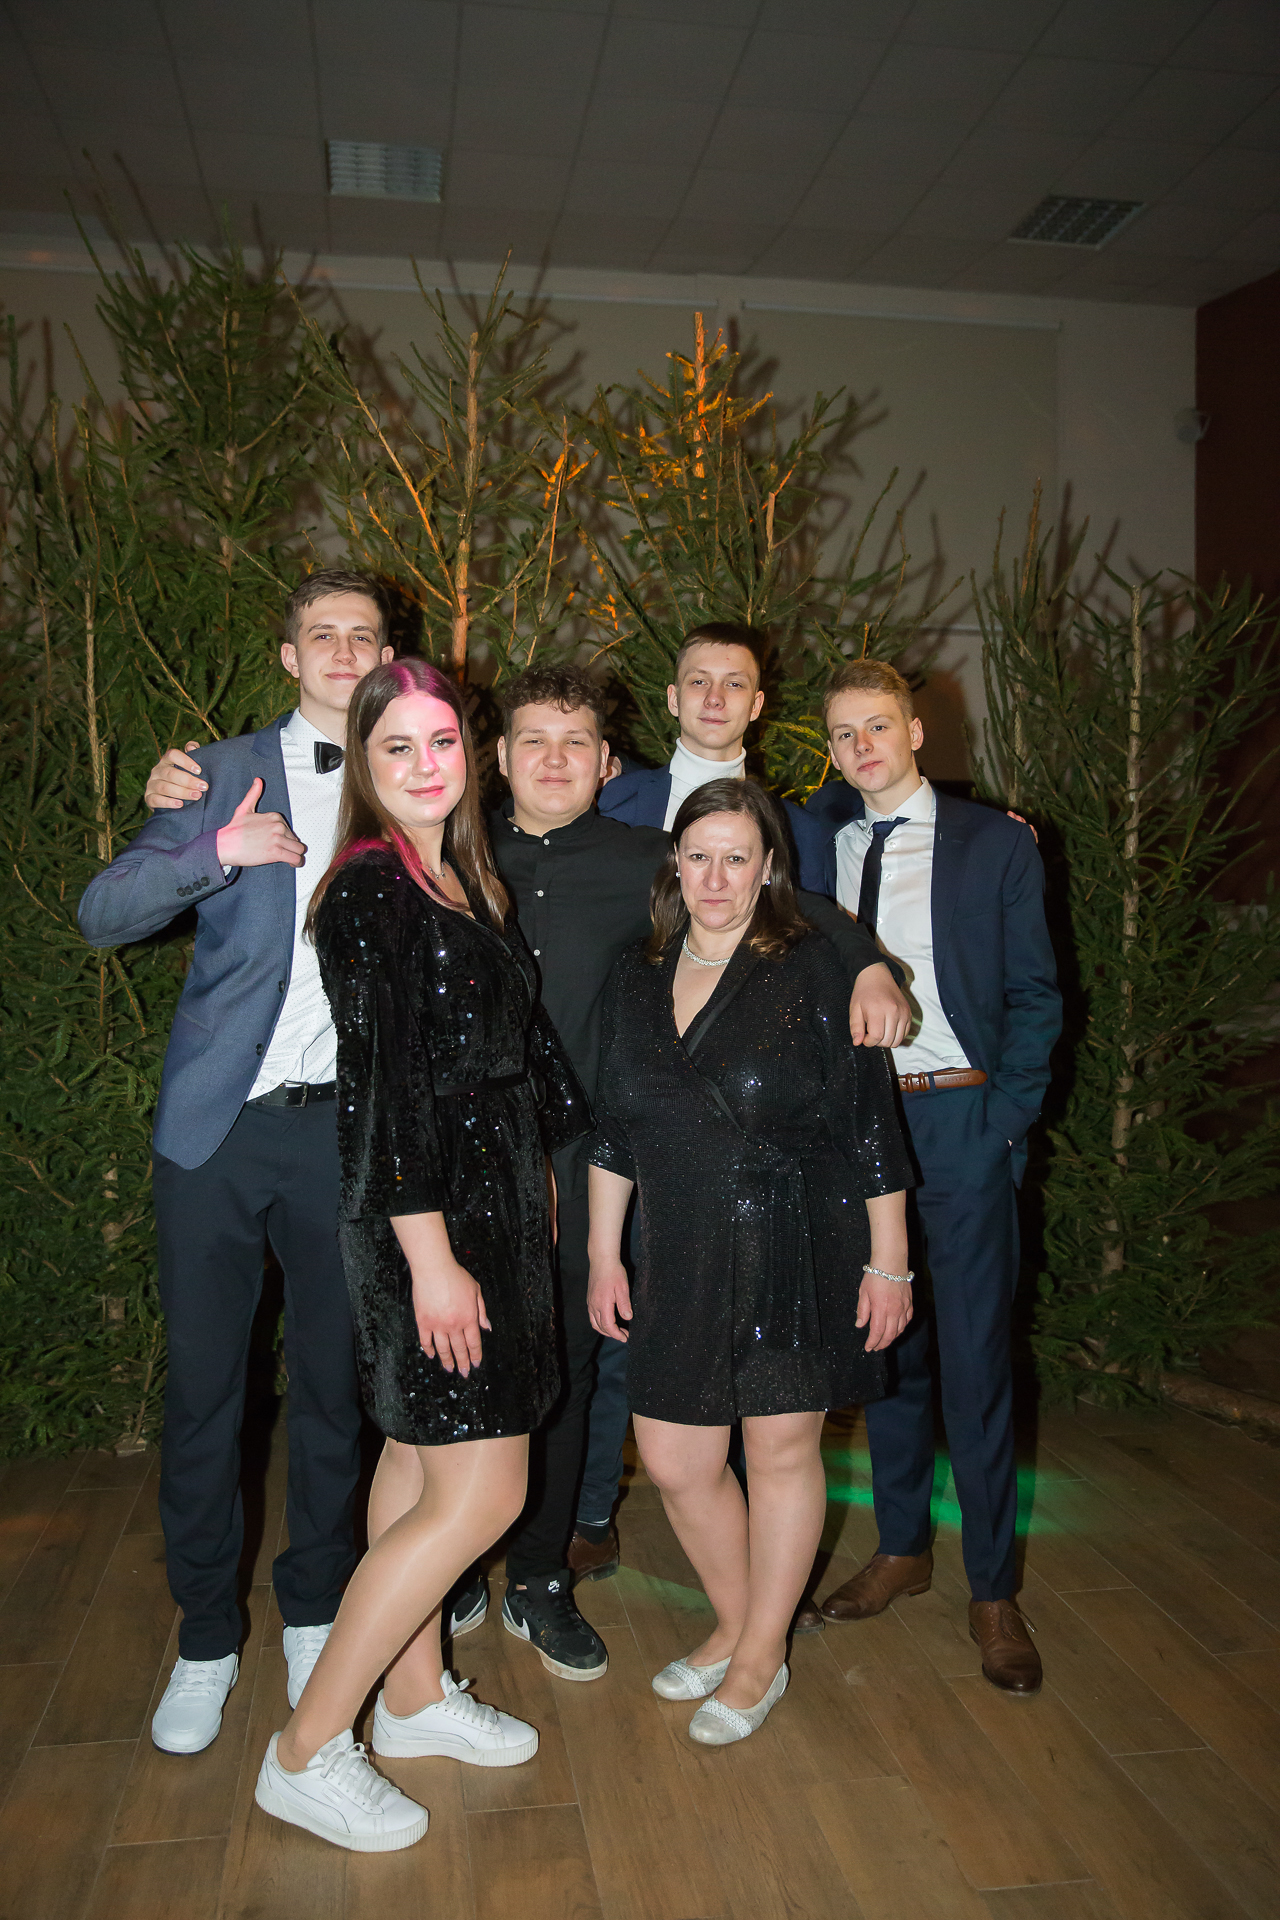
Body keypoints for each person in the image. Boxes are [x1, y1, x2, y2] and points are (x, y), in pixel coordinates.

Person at [253, 658, 590, 1851]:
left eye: (440, 740)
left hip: (489, 1204)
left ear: (469, 751)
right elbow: (385, 1094)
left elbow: (517, 1050)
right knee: (484, 1490)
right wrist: (433, 1259)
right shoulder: (368, 891)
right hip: (427, 1220)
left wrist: (541, 1175)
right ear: (365, 763)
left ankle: (409, 1700)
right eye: (396, 745)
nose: (424, 764)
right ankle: (306, 1751)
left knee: (415, 1456)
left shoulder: (457, 875)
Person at [483, 665, 907, 1600]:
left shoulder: (651, 860)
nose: (555, 759)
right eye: (534, 741)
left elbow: (797, 912)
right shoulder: (459, 854)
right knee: (483, 1367)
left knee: (584, 1374)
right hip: (485, 1163)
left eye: (576, 742)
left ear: (605, 760)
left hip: (641, 1172)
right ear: (501, 756)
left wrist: (868, 963)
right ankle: (462, 1566)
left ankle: (544, 1578)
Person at [78, 569, 394, 1756]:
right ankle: (206, 1636)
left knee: (333, 1389)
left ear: (385, 655)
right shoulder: (215, 772)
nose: (345, 651)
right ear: (290, 656)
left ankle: (315, 1613)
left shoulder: (415, 767)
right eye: (323, 635)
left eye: (364, 635)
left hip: (345, 1134)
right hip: (215, 1131)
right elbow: (105, 912)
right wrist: (216, 845)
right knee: (206, 1391)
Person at [587, 779, 913, 1745]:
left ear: (770, 868)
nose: (716, 878)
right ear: (674, 866)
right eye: (699, 857)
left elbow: (871, 1127)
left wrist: (890, 1262)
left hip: (797, 1238)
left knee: (779, 1450)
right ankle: (737, 1623)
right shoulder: (637, 968)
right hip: (676, 1244)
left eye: (737, 858)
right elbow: (613, 1129)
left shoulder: (812, 966)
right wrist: (604, 1252)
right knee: (676, 1458)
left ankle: (761, 1654)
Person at [810, 659, 1061, 1695]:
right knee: (888, 1349)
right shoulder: (820, 842)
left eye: (877, 726)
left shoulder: (992, 842)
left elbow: (1036, 994)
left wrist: (1002, 1124)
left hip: (962, 1118)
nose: (861, 746)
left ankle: (992, 1589)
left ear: (915, 731)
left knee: (975, 1363)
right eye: (842, 733)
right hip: (861, 1128)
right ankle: (902, 1547)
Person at [597, 620, 832, 889]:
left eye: (734, 684)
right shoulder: (612, 803)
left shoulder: (800, 833)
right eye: (699, 681)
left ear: (755, 706)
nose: (714, 698)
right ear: (674, 699)